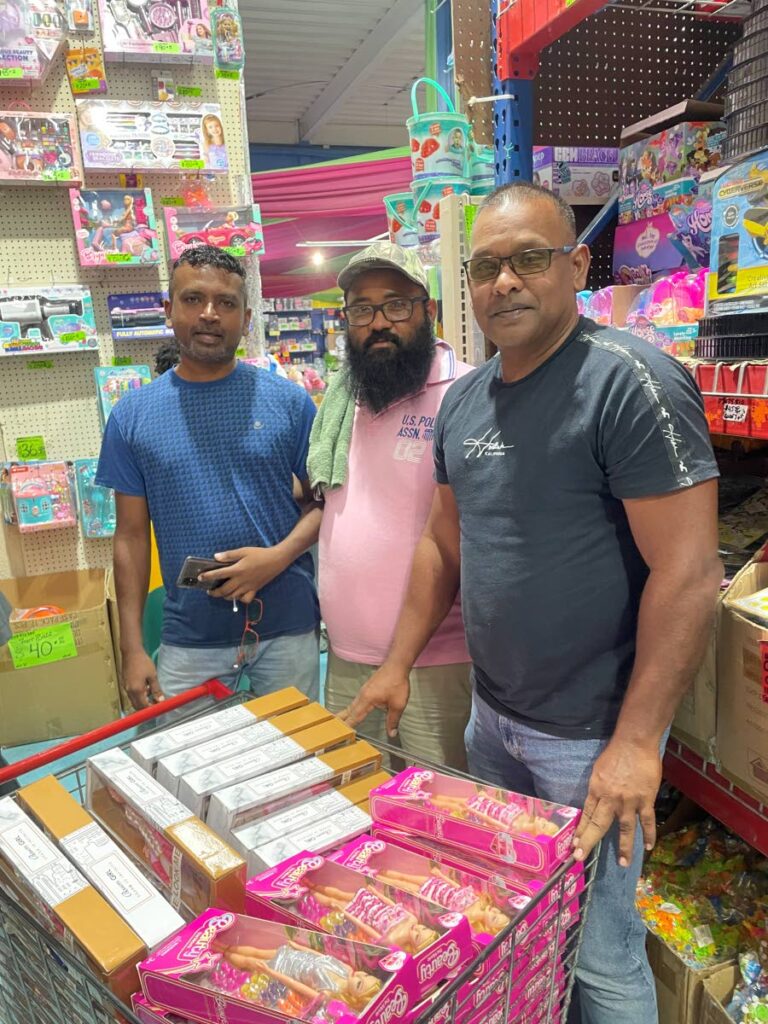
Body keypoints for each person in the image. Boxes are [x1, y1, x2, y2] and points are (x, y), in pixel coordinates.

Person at [341, 183, 722, 1024]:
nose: (504, 281)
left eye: (528, 259)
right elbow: (444, 543)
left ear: (577, 265)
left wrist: (633, 745)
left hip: (592, 737)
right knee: (521, 928)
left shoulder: (630, 382)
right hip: (494, 720)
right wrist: (398, 666)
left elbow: (690, 575)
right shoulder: (466, 400)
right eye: (485, 267)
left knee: (602, 957)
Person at [96, 245, 321, 710]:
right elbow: (131, 538)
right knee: (185, 772)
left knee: (300, 767)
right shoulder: (132, 417)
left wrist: (276, 558)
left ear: (247, 316)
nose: (210, 315)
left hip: (288, 626)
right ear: (169, 310)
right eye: (193, 299)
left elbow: (329, 503)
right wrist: (132, 648)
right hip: (190, 638)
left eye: (227, 303)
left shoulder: (290, 403)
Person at [309, 242, 472, 769]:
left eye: (396, 305)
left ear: (428, 311)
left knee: (439, 824)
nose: (378, 322)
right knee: (356, 815)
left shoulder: (465, 393)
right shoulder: (343, 400)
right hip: (346, 660)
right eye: (362, 309)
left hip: (435, 665)